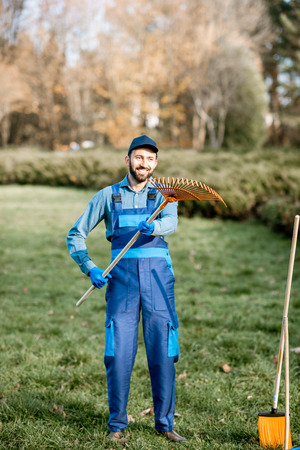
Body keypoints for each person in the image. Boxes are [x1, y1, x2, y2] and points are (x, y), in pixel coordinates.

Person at [66, 135, 187, 444]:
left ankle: (165, 423)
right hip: (121, 279)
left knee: (164, 349)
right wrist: (90, 267)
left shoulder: (166, 194)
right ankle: (117, 424)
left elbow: (170, 224)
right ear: (127, 159)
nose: (143, 163)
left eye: (149, 159)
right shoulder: (107, 196)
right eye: (138, 157)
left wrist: (155, 227)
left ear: (155, 163)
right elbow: (75, 235)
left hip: (159, 278)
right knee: (118, 352)